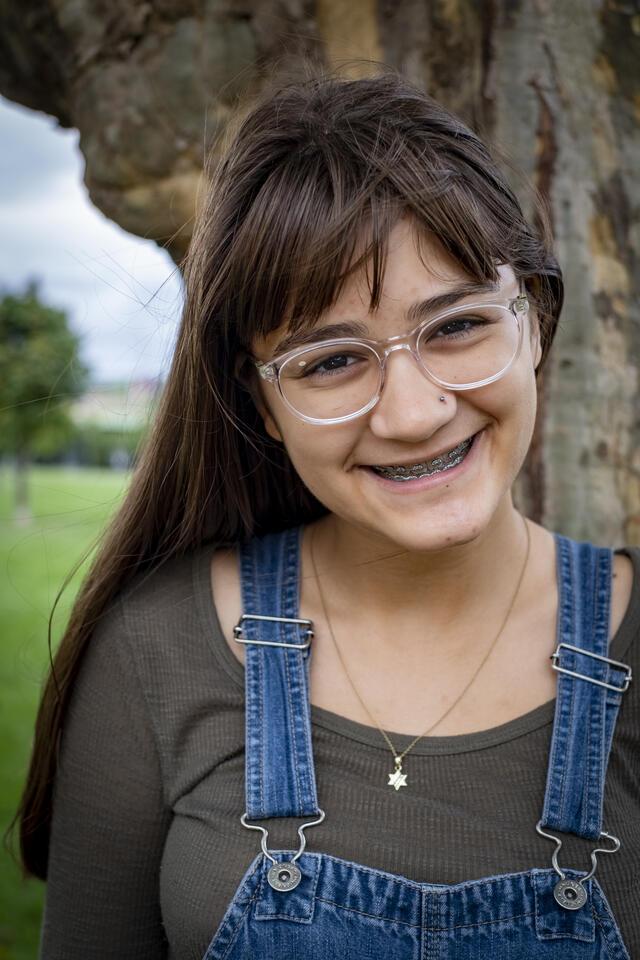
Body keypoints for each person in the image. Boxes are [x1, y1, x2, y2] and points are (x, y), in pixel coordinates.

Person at [16, 68, 639, 959]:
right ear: (262, 403)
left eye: (457, 325)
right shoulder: (154, 655)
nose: (412, 412)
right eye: (330, 361)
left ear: (533, 318)